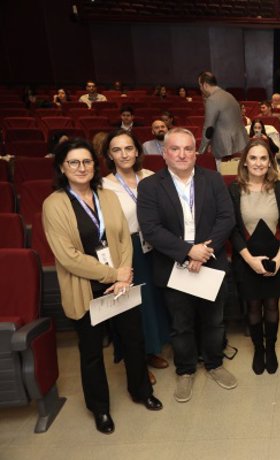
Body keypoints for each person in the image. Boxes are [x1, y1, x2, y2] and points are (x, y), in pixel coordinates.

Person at [42, 139, 161, 435]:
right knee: (92, 352)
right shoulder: (54, 204)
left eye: (87, 162)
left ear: (95, 166)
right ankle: (100, 409)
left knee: (133, 340)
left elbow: (122, 238)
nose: (81, 168)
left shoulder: (106, 195)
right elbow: (68, 256)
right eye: (74, 162)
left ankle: (141, 391)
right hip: (85, 288)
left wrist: (123, 276)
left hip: (120, 284)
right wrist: (112, 274)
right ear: (62, 167)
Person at [137, 128, 237, 403]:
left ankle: (214, 363)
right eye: (175, 149)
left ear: (196, 153)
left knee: (214, 321)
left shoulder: (214, 180)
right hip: (173, 266)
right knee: (181, 324)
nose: (182, 154)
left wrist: (202, 252)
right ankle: (186, 369)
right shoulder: (149, 186)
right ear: (164, 153)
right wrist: (187, 251)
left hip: (211, 261)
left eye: (188, 149)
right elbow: (151, 229)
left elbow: (226, 218)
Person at [101, 130, 171, 378]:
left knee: (155, 301)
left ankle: (152, 349)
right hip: (128, 249)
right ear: (109, 154)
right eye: (117, 149)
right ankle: (137, 359)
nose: (124, 154)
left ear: (137, 151)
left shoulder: (151, 177)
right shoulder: (104, 187)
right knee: (134, 306)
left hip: (156, 247)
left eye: (128, 148)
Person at [228, 139, 280, 375]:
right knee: (253, 306)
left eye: (263, 158)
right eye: (253, 158)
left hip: (275, 257)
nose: (258, 163)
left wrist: (279, 257)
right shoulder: (235, 190)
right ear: (244, 161)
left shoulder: (279, 188)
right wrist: (249, 260)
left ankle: (271, 348)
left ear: (269, 161)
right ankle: (258, 349)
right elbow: (232, 229)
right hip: (247, 259)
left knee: (272, 304)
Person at [197, 71, 249, 170]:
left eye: (200, 86)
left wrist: (201, 151)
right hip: (240, 144)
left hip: (225, 149)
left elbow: (209, 129)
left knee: (225, 180)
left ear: (205, 85)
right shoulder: (229, 95)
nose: (200, 89)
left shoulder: (212, 99)